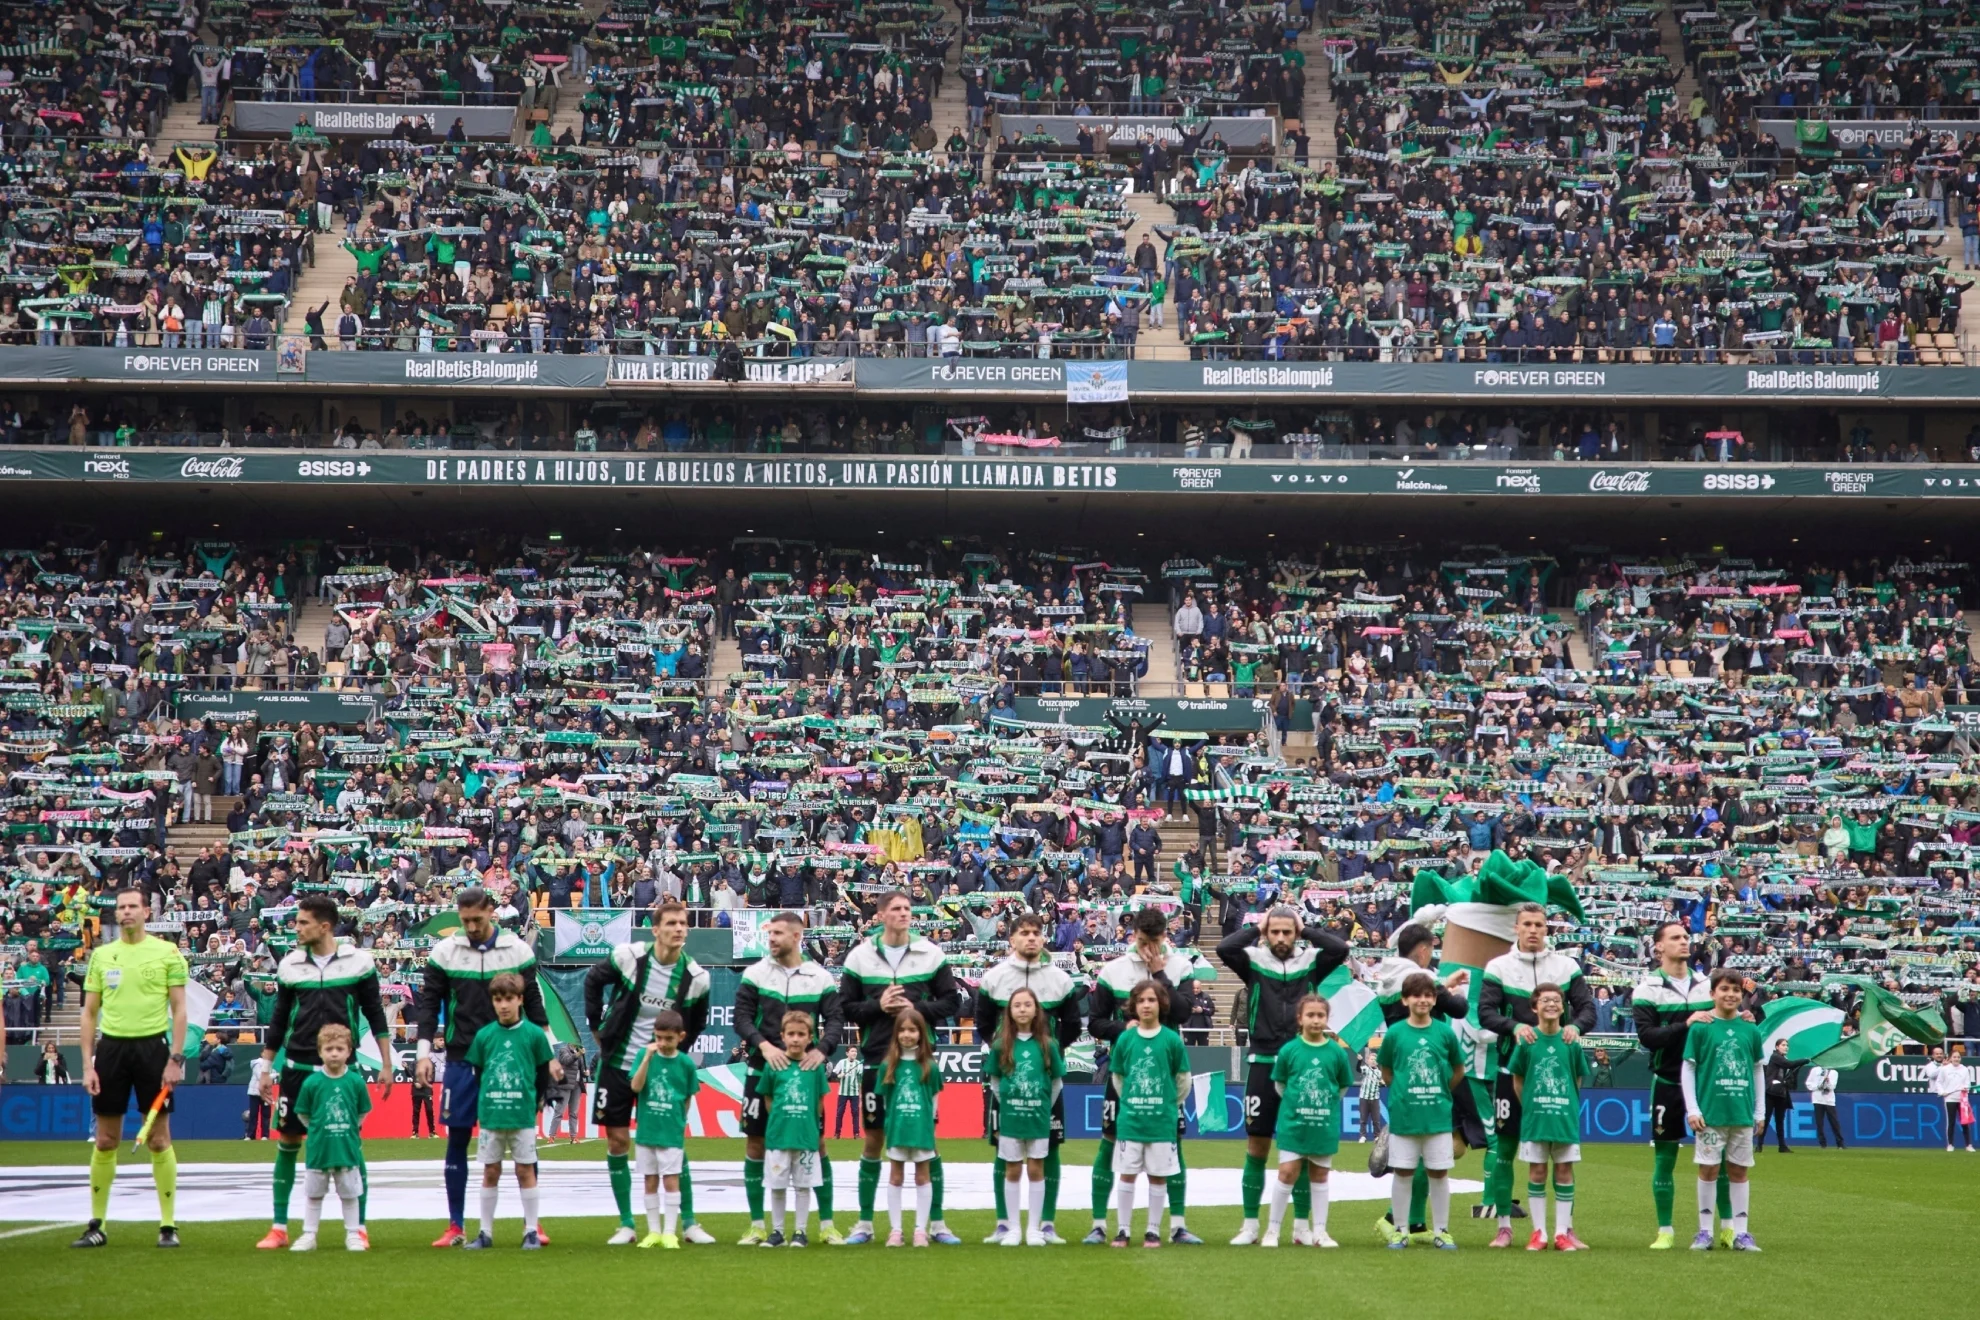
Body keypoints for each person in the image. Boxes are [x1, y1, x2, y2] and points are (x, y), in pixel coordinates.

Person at [254, 893, 394, 1250]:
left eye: (302, 922)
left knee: (351, 1144)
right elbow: (279, 1019)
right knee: (287, 1142)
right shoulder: (289, 965)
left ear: (324, 926)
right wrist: (266, 1066)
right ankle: (280, 1226)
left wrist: (387, 1063)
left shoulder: (359, 963)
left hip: (342, 1072)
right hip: (297, 1069)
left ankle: (358, 1227)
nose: (296, 928)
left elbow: (375, 1013)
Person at [413, 887, 548, 1248]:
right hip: (460, 1058)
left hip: (512, 1058)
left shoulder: (517, 950)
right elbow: (428, 1007)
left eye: (478, 918)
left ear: (492, 912)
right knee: (457, 1136)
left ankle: (533, 1225)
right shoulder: (444, 952)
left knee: (524, 1140)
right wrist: (423, 1054)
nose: (472, 926)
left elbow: (534, 1004)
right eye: (466, 920)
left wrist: (549, 1053)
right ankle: (456, 1225)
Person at [583, 899, 713, 1245]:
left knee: (671, 1141)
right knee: (618, 1140)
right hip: (619, 1063)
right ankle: (627, 1224)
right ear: (655, 929)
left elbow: (696, 1024)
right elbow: (593, 981)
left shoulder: (697, 978)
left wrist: (675, 1058)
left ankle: (689, 1223)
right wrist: (596, 1026)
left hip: (661, 1069)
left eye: (683, 924)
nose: (678, 929)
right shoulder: (630, 956)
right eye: (671, 923)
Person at [1218, 904, 1349, 1245]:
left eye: (1286, 932)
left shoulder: (1311, 963)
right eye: (1274, 932)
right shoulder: (1254, 962)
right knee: (1257, 1144)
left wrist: (1306, 930)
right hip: (1262, 1062)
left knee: (1304, 1151)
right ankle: (1250, 1226)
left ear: (1295, 934)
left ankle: (1302, 1228)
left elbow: (1340, 948)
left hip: (1302, 1062)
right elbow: (1224, 948)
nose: (1280, 938)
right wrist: (1256, 928)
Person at [1084, 905, 1216, 1245]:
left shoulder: (1180, 965)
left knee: (1173, 1147)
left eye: (1155, 942)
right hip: (1125, 1074)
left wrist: (1160, 975)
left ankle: (1177, 1225)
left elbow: (1186, 1012)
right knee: (1109, 1143)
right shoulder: (1113, 970)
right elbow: (1095, 1021)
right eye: (1143, 941)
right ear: (1134, 936)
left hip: (1166, 1076)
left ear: (1164, 937)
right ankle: (1100, 1224)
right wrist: (1122, 1026)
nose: (1149, 950)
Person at [839, 890, 960, 1245]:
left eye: (908, 908)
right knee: (874, 1139)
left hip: (920, 1060)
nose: (904, 913)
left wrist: (913, 1009)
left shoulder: (931, 953)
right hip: (877, 1058)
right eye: (896, 909)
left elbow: (952, 1001)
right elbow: (846, 1008)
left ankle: (936, 1224)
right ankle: (864, 1223)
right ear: (880, 915)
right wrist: (879, 1005)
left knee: (928, 1139)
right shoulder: (860, 956)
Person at [74, 886, 189, 1249]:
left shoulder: (167, 953)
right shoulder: (103, 956)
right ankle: (97, 1224)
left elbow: (181, 1010)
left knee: (158, 1138)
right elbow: (89, 1013)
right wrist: (87, 1065)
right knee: (107, 1139)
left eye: (132, 906)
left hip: (153, 1050)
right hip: (111, 1051)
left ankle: (168, 1226)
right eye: (121, 907)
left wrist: (176, 1058)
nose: (126, 912)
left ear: (145, 912)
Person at [1478, 902, 1594, 1247]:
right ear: (1516, 928)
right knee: (1505, 1149)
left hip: (1557, 1075)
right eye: (1526, 924)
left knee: (1561, 1155)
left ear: (1547, 930)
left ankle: (1564, 1229)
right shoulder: (1498, 966)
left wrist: (1576, 1028)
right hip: (1509, 1070)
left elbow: (1587, 1007)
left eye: (1539, 925)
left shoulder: (1566, 965)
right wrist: (1513, 1027)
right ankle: (1503, 1225)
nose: (1532, 930)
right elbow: (1485, 1012)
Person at [732, 910, 845, 1245]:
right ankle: (757, 1225)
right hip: (761, 1071)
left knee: (818, 1144)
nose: (771, 939)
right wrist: (763, 1046)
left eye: (778, 933)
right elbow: (741, 1017)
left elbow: (836, 1019)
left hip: (806, 1073)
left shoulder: (819, 976)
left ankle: (826, 1225)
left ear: (797, 936)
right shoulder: (755, 973)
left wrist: (822, 1049)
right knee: (756, 1143)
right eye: (769, 934)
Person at [973, 913, 1080, 1243]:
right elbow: (982, 1022)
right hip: (1007, 1079)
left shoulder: (1060, 980)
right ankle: (1004, 1223)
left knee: (1050, 1149)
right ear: (1012, 940)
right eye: (1025, 933)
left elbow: (1073, 1024)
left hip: (1043, 1079)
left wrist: (1046, 1054)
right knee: (1002, 1149)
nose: (1031, 938)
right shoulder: (995, 977)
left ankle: (1045, 1223)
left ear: (1044, 938)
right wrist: (1005, 1054)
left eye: (1036, 933)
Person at [1367, 922, 1471, 1241]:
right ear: (1424, 950)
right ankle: (1394, 1219)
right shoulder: (1418, 980)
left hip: (1409, 1070)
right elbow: (1458, 1008)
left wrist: (1441, 983)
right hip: (1430, 1067)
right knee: (1450, 1147)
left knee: (1443, 1149)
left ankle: (1413, 1223)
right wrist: (1450, 990)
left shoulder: (1391, 975)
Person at [1632, 920, 1730, 1248]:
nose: (1684, 942)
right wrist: (1685, 1024)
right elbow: (1648, 1038)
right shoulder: (1647, 989)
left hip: (1707, 1084)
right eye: (1676, 937)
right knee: (1664, 1159)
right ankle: (1665, 1230)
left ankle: (1728, 1229)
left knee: (1721, 1161)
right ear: (1658, 947)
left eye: (1686, 937)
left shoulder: (1707, 985)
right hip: (1667, 1082)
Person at [462, 972, 562, 1250]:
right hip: (493, 1115)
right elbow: (479, 1074)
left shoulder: (534, 1035)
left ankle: (531, 1231)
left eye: (509, 999)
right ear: (492, 1002)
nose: (503, 1005)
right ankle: (485, 1233)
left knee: (524, 1170)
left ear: (520, 999)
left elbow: (543, 1073)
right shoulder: (484, 1036)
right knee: (490, 1170)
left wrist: (536, 1102)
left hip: (522, 1115)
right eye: (498, 999)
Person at [1682, 967, 1766, 1251]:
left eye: (1736, 990)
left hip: (1741, 1113)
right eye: (1724, 989)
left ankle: (1741, 1233)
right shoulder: (1701, 1027)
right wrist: (1692, 1108)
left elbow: (1757, 1070)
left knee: (1739, 1171)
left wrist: (1760, 1112)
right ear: (1712, 994)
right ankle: (1704, 1231)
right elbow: (1689, 1068)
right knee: (1708, 1170)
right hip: (1710, 1115)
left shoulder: (1750, 1028)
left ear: (1742, 995)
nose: (1730, 995)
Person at [1261, 994, 1354, 1248]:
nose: (1315, 1020)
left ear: (1327, 1019)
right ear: (1300, 1019)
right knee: (1287, 1172)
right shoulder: (1289, 1050)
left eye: (1320, 1015)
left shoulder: (1336, 1052)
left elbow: (1342, 1086)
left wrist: (1324, 1104)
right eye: (1310, 1015)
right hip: (1294, 1123)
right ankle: (1272, 1230)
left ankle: (1320, 1231)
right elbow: (1280, 1085)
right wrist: (1298, 1104)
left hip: (1323, 1124)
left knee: (1320, 1175)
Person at [1108, 980, 1190, 1249]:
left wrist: (1168, 1105)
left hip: (1161, 1122)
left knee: (1158, 1176)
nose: (1146, 1005)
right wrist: (1133, 1103)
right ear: (1134, 1005)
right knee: (1127, 1174)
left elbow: (1183, 1080)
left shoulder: (1171, 1039)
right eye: (1141, 1000)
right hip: (1131, 1121)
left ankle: (1153, 1231)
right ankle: (1123, 1230)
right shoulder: (1125, 1039)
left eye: (1151, 1000)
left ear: (1161, 1004)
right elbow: (1118, 1078)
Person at [1509, 984, 1591, 1251]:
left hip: (1564, 1118)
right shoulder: (1526, 1040)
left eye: (1556, 1000)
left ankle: (1561, 1234)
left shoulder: (1571, 1042)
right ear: (1535, 1007)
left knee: (1565, 1172)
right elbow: (1518, 1080)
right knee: (1537, 1171)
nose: (1552, 1004)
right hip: (1535, 1119)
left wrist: (1565, 1104)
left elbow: (1576, 1080)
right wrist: (1531, 1105)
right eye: (1545, 1000)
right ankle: (1539, 1233)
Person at [985, 986, 1066, 1247]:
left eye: (1027, 1005)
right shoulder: (1001, 1044)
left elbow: (1056, 1084)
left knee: (1036, 1169)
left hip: (1038, 1119)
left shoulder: (1048, 1044)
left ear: (1036, 1010)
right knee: (1011, 1170)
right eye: (1017, 1005)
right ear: (1009, 1010)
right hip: (1011, 1119)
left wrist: (1041, 1106)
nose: (1022, 1009)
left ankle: (1034, 1229)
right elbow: (995, 1082)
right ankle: (1012, 1229)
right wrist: (1009, 1105)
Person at [288, 1024, 371, 1252]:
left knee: (350, 1194)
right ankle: (309, 1235)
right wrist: (318, 1129)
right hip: (319, 1148)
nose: (334, 1053)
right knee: (314, 1194)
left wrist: (350, 1129)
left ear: (348, 1051)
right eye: (329, 1048)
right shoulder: (312, 1083)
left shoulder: (355, 1081)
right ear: (320, 1051)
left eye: (339, 1048)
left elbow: (363, 1110)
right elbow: (304, 1113)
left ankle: (353, 1234)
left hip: (347, 1147)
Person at [755, 1010, 829, 1247]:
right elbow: (768, 1099)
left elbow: (819, 1101)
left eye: (801, 1034)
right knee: (777, 1186)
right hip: (778, 1136)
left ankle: (800, 1231)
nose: (796, 1039)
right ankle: (777, 1232)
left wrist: (809, 1125)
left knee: (803, 1186)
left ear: (810, 1038)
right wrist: (780, 1121)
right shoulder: (774, 1065)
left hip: (806, 1137)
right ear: (782, 1036)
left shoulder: (815, 1067)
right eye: (791, 1034)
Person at [628, 1008, 699, 1249]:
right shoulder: (644, 1056)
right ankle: (653, 1231)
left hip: (671, 1131)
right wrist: (647, 1059)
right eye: (658, 1038)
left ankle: (670, 1232)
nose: (663, 1043)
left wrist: (680, 1121)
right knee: (649, 1180)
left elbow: (688, 1097)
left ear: (681, 1036)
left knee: (671, 1180)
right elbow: (636, 1087)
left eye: (669, 1038)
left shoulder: (686, 1064)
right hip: (647, 1129)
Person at [881, 1009, 939, 1247]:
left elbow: (934, 1100)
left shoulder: (929, 1066)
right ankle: (896, 1230)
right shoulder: (888, 1065)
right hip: (897, 1130)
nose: (907, 1034)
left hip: (921, 1131)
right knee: (895, 1177)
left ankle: (920, 1230)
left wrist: (927, 1125)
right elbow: (886, 1100)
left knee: (922, 1177)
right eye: (902, 1030)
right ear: (896, 1034)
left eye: (912, 1030)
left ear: (921, 1033)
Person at [1926, 1045, 1976, 1151]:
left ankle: (1968, 1145)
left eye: (1958, 1057)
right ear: (1950, 1058)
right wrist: (1942, 1092)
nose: (1956, 1059)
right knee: (1951, 1122)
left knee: (1965, 1122)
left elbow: (1967, 1082)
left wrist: (1965, 1088)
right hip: (1950, 1098)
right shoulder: (1944, 1069)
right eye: (1954, 1057)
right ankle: (1950, 1145)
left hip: (1962, 1099)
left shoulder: (1964, 1069)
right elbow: (1939, 1082)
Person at [1762, 1039, 1807, 1153]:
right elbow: (1789, 1064)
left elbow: (1791, 1068)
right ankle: (1759, 1145)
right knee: (1766, 1120)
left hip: (1781, 1093)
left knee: (1780, 1121)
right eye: (1783, 1045)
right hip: (1770, 1093)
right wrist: (1804, 1060)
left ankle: (1782, 1146)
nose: (1786, 1047)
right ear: (1777, 1047)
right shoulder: (1775, 1057)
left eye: (1787, 1045)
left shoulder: (1783, 1059)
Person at [1805, 1061, 1844, 1149]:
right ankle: (1823, 1144)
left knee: (1834, 1122)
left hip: (1829, 1100)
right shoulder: (1815, 1070)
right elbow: (1809, 1083)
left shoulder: (1833, 1072)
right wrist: (1817, 1086)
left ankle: (1840, 1143)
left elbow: (1832, 1086)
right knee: (1819, 1123)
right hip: (1817, 1099)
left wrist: (1828, 1083)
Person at [245, 1051, 271, 1140]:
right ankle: (250, 1135)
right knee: (253, 1114)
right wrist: (273, 1076)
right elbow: (260, 1076)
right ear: (262, 1053)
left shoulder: (270, 1064)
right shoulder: (257, 1063)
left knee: (266, 1114)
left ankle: (265, 1135)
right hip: (255, 1092)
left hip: (266, 1093)